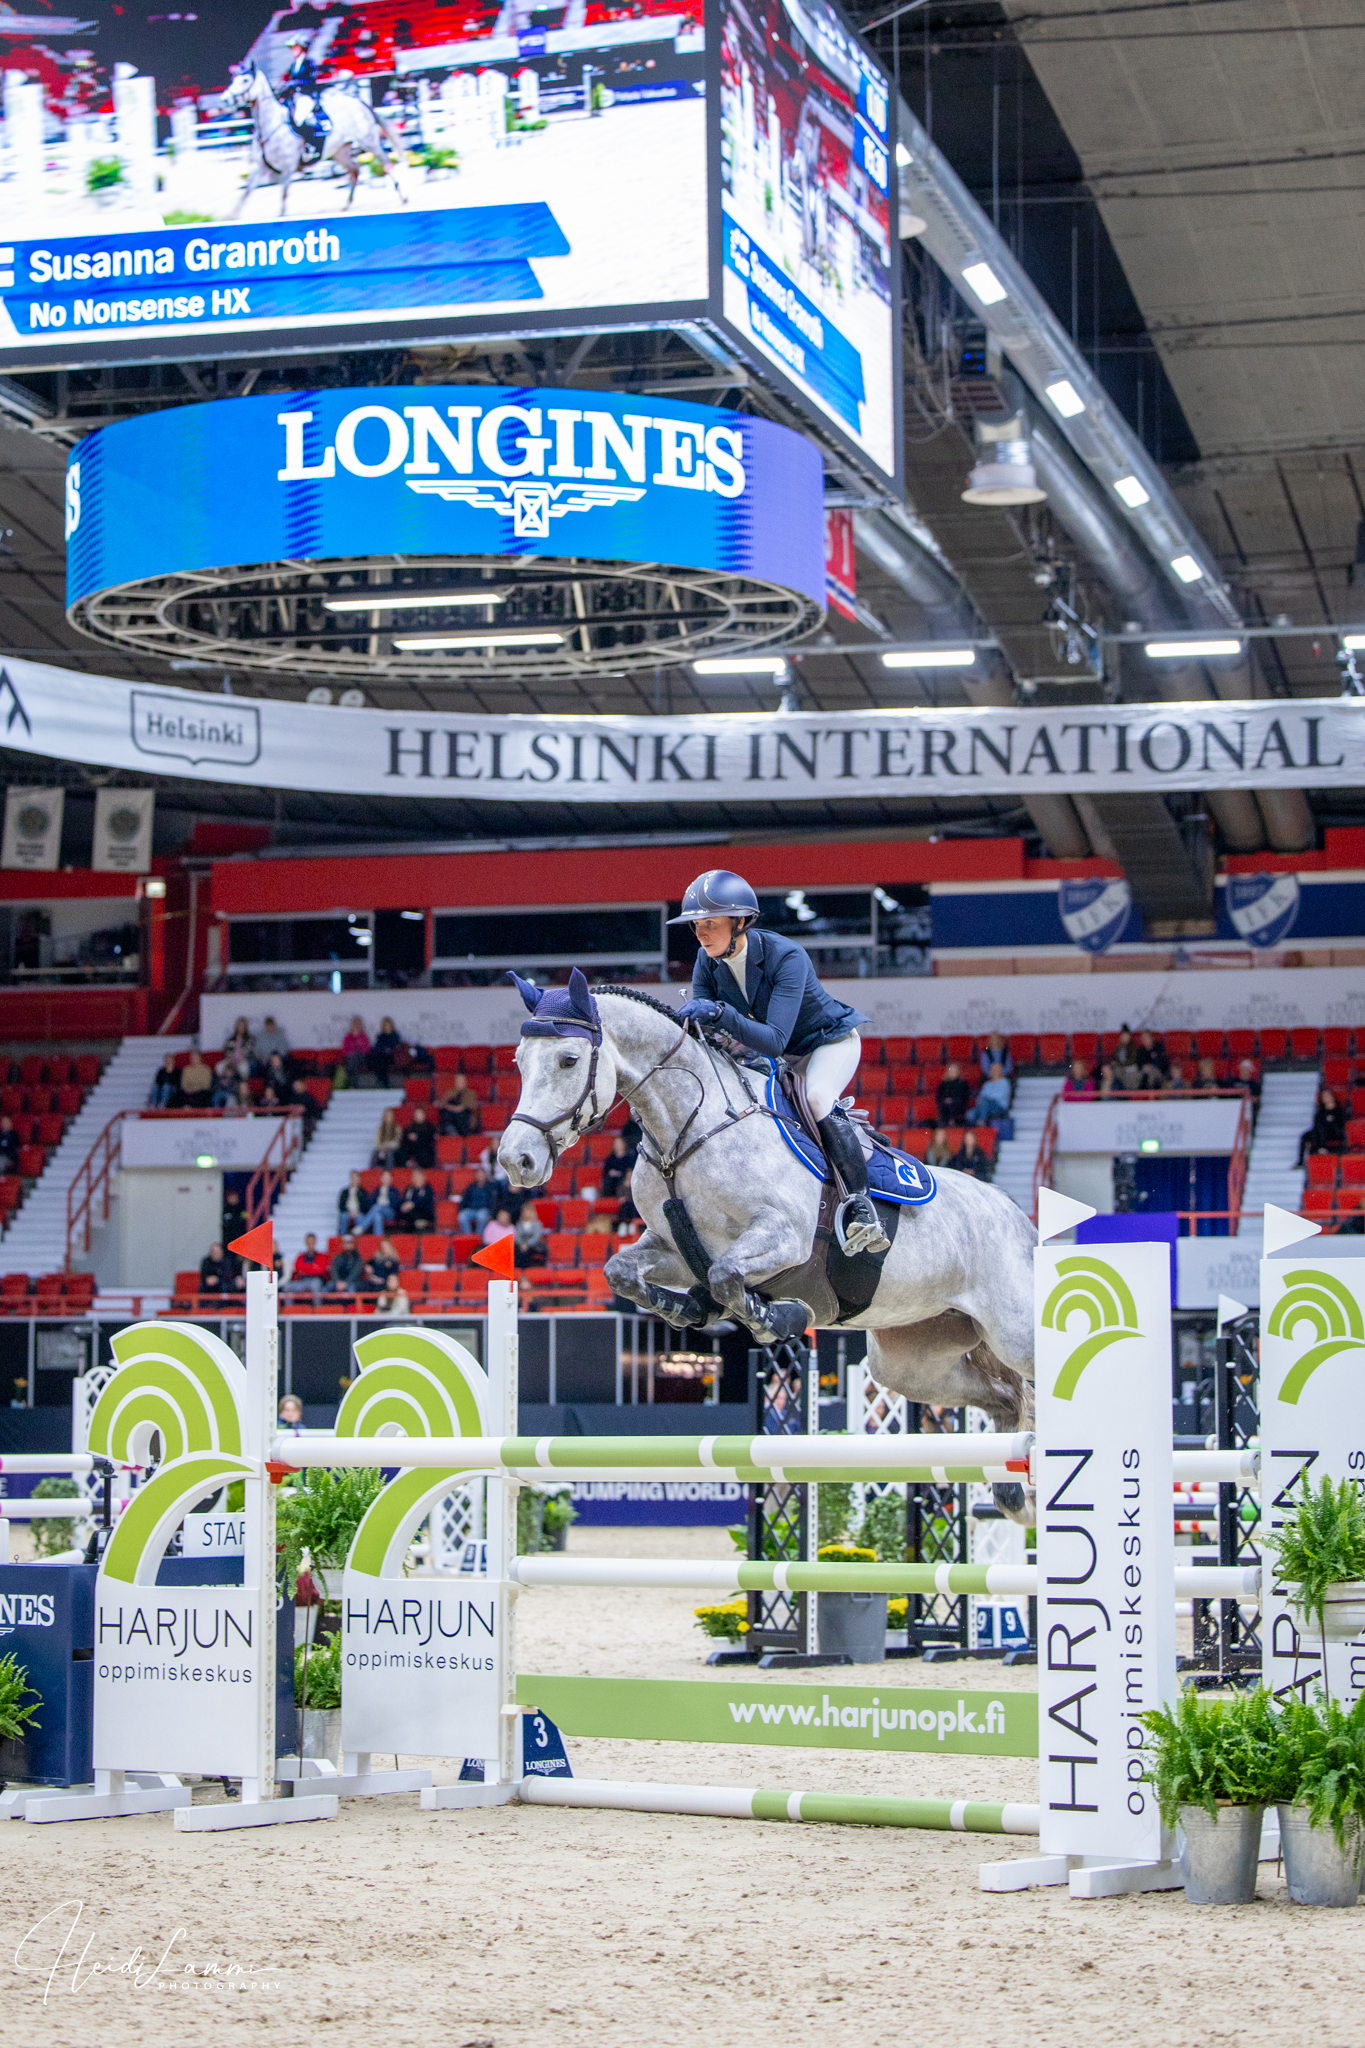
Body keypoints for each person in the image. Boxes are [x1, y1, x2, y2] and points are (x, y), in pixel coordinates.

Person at [671, 869, 885, 1256]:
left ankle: (860, 1206)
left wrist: (719, 1013)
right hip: (779, 1059)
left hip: (826, 1044)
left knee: (818, 1098)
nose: (701, 935)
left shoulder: (786, 956)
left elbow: (773, 1040)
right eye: (696, 926)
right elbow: (708, 1034)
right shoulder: (707, 962)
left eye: (710, 924)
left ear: (740, 922)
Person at [280, 32, 330, 153]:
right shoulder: (293, 65)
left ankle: (310, 145)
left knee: (299, 118)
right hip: (294, 96)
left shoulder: (309, 63)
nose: (293, 50)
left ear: (302, 48)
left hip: (306, 95)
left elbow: (310, 80)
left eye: (295, 47)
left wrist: (295, 83)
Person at [1300, 1086, 1347, 1164]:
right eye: (1324, 1096)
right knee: (1306, 1136)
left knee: (1323, 1130)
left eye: (1328, 1096)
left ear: (1333, 1096)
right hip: (1321, 1133)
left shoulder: (1339, 1110)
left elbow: (1341, 1125)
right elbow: (1316, 1125)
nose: (1326, 1098)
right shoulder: (1320, 1112)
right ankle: (1301, 1161)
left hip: (1334, 1132)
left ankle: (1321, 1148)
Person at [338, 1169, 383, 1235]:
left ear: (359, 1179)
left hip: (358, 1213)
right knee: (343, 1216)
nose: (354, 1180)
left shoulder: (363, 1192)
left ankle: (360, 1229)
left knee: (360, 1218)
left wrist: (357, 1212)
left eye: (356, 1178)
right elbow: (340, 1206)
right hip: (347, 1212)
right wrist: (349, 1212)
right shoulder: (344, 1192)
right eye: (352, 1178)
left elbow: (365, 1206)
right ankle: (341, 1237)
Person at [437, 1071, 481, 1137]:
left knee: (461, 1115)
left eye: (461, 1081)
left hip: (464, 1119)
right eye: (457, 1081)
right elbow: (442, 1103)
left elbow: (469, 1107)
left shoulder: (470, 1093)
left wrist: (455, 1108)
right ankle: (452, 1132)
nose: (459, 1083)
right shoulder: (450, 1092)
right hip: (451, 1117)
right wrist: (451, 1107)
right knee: (445, 1115)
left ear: (465, 1082)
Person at [970, 1061, 1013, 1129]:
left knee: (984, 1102)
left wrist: (988, 1097)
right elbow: (981, 1096)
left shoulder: (1004, 1082)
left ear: (1000, 1071)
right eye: (992, 1069)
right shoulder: (987, 1084)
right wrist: (987, 1098)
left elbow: (1000, 1095)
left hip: (999, 1105)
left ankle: (981, 1123)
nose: (994, 1071)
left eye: (996, 1069)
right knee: (969, 1114)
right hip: (985, 1106)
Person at [286, 1233, 329, 1299]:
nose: (310, 1244)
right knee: (288, 1287)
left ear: (315, 1242)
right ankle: (288, 1308)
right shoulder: (300, 1257)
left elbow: (321, 1270)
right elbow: (297, 1268)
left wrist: (305, 1267)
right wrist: (313, 1266)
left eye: (312, 1242)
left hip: (316, 1280)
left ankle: (317, 1308)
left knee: (315, 1285)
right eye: (308, 1242)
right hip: (302, 1281)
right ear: (305, 1242)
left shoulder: (322, 1256)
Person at [397, 1164, 435, 1234]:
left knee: (411, 1213)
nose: (415, 1178)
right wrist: (403, 1205)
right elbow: (403, 1199)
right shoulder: (409, 1188)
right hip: (409, 1213)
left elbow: (425, 1200)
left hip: (423, 1212)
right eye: (414, 1176)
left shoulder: (427, 1188)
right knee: (402, 1212)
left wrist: (413, 1204)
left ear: (423, 1177)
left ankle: (410, 1232)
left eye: (417, 1176)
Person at [397, 1104, 436, 1170]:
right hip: (411, 1147)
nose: (419, 1115)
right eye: (417, 1114)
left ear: (424, 1114)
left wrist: (418, 1137)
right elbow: (404, 1138)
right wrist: (409, 1137)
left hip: (424, 1147)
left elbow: (430, 1137)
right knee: (400, 1151)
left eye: (420, 1113)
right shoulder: (410, 1126)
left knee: (424, 1151)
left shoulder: (429, 1126)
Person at [458, 1166, 494, 1235]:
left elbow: (493, 1201)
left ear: (485, 1176)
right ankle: (468, 1235)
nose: (480, 1176)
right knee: (462, 1215)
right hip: (471, 1209)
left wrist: (491, 1213)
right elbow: (464, 1199)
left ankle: (479, 1235)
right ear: (476, 1176)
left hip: (484, 1210)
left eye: (482, 1174)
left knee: (482, 1216)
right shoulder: (470, 1187)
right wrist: (461, 1208)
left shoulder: (490, 1187)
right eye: (479, 1175)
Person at [370, 1016, 405, 1087]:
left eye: (389, 1025)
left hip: (392, 1057)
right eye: (386, 1025)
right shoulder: (381, 1036)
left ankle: (384, 1082)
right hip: (382, 1055)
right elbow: (378, 1047)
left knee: (382, 1061)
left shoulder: (395, 1036)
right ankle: (382, 1081)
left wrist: (388, 1049)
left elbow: (396, 1047)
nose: (388, 1027)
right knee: (377, 1060)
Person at [599, 1134, 635, 1200]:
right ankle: (608, 1199)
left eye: (620, 1143)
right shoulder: (610, 1158)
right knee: (608, 1181)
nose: (618, 1145)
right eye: (616, 1143)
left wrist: (620, 1173)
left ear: (624, 1144)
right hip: (612, 1180)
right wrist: (611, 1173)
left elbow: (630, 1170)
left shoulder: (629, 1158)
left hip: (623, 1179)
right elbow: (605, 1171)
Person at [935, 1061, 970, 1127]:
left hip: (959, 1105)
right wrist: (945, 1100)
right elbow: (938, 1096)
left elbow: (964, 1097)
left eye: (954, 1070)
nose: (952, 1072)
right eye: (951, 1070)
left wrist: (953, 1099)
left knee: (952, 1104)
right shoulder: (943, 1084)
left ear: (958, 1071)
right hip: (944, 1105)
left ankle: (951, 1121)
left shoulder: (963, 1083)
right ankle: (944, 1122)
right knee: (944, 1104)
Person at [180, 1044, 213, 1108]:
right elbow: (183, 1083)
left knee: (203, 1095)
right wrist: (188, 1089)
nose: (193, 1059)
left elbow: (206, 1084)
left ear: (200, 1058)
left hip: (200, 1092)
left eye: (195, 1057)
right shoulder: (186, 1069)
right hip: (188, 1092)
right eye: (192, 1058)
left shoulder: (206, 1069)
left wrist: (193, 1088)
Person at [343, 1016, 371, 1086]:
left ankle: (351, 1084)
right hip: (350, 1057)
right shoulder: (348, 1036)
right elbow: (345, 1049)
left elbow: (366, 1049)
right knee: (352, 1060)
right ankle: (353, 1083)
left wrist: (357, 1047)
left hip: (362, 1056)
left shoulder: (364, 1036)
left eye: (359, 1023)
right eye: (355, 1023)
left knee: (354, 1058)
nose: (357, 1024)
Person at [372, 1105, 402, 1169]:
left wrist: (386, 1145)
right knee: (374, 1153)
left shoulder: (397, 1128)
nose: (388, 1117)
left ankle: (389, 1171)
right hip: (381, 1149)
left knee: (389, 1153)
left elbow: (397, 1143)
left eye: (390, 1115)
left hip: (393, 1149)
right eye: (387, 1115)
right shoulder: (379, 1129)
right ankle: (373, 1171)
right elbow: (376, 1143)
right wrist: (380, 1147)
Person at [1236, 1058, 1262, 1124]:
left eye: (1247, 1070)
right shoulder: (1232, 1082)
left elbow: (1257, 1099)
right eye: (1244, 1069)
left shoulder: (1254, 1085)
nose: (1245, 1072)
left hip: (1248, 1109)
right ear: (1240, 1069)